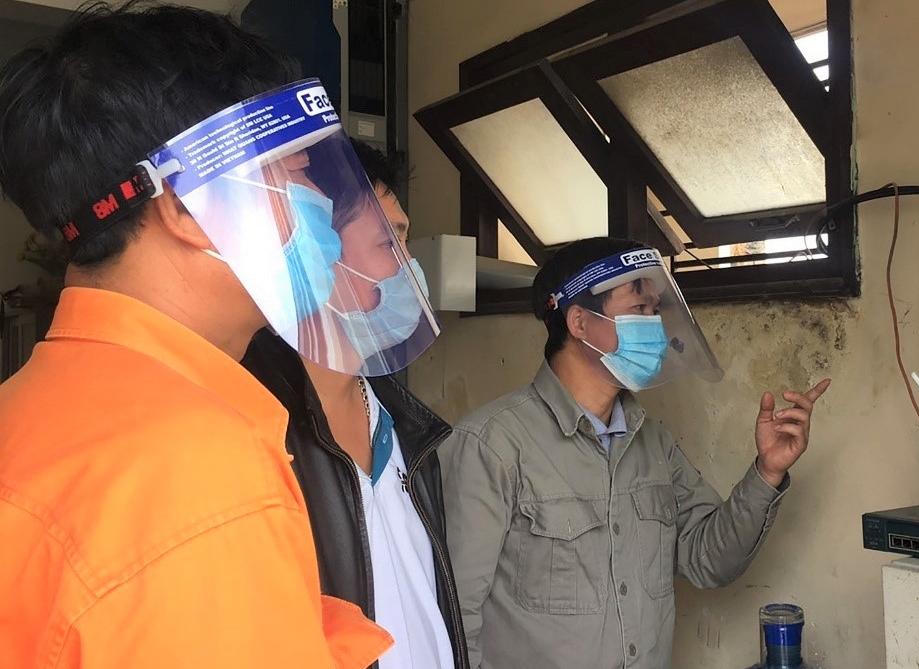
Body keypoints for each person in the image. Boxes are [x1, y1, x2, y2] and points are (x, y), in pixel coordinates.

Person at [0, 3, 430, 667]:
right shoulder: (196, 472)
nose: (319, 201)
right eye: (294, 172)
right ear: (187, 208)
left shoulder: (28, 404)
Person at [440, 237, 831, 669]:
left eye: (655, 311)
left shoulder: (652, 443)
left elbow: (709, 561)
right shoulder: (491, 445)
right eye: (639, 309)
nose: (655, 327)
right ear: (579, 322)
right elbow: (452, 616)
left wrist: (767, 473)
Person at [241, 138, 467, 669]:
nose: (411, 266)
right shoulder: (255, 431)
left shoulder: (408, 429)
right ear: (318, 244)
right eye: (390, 243)